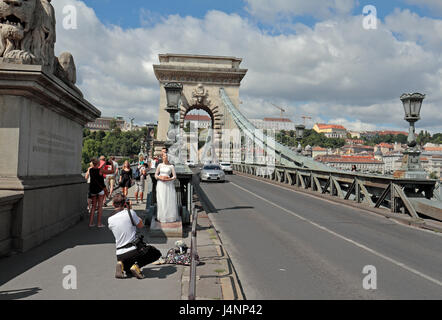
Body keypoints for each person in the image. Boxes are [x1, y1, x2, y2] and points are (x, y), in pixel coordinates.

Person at [108, 193, 161, 279]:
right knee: (155, 253)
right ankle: (137, 266)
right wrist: (130, 209)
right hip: (134, 250)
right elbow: (140, 225)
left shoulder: (110, 219)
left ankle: (121, 263)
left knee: (128, 270)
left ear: (113, 204)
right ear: (125, 204)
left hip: (120, 254)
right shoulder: (131, 213)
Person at [85, 158, 114, 228]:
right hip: (100, 190)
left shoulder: (90, 170)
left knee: (93, 207)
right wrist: (111, 164)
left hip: (93, 190)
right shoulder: (100, 170)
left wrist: (104, 163)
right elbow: (112, 171)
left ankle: (91, 223)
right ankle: (99, 223)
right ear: (98, 164)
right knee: (100, 207)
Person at [155, 152, 178, 223]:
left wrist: (169, 179)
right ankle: (162, 217)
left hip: (168, 184)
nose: (165, 157)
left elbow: (174, 176)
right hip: (160, 184)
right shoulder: (159, 165)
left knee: (168, 200)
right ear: (162, 157)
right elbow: (155, 175)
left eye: (166, 156)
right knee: (161, 200)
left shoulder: (171, 166)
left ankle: (169, 217)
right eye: (164, 156)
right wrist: (160, 177)